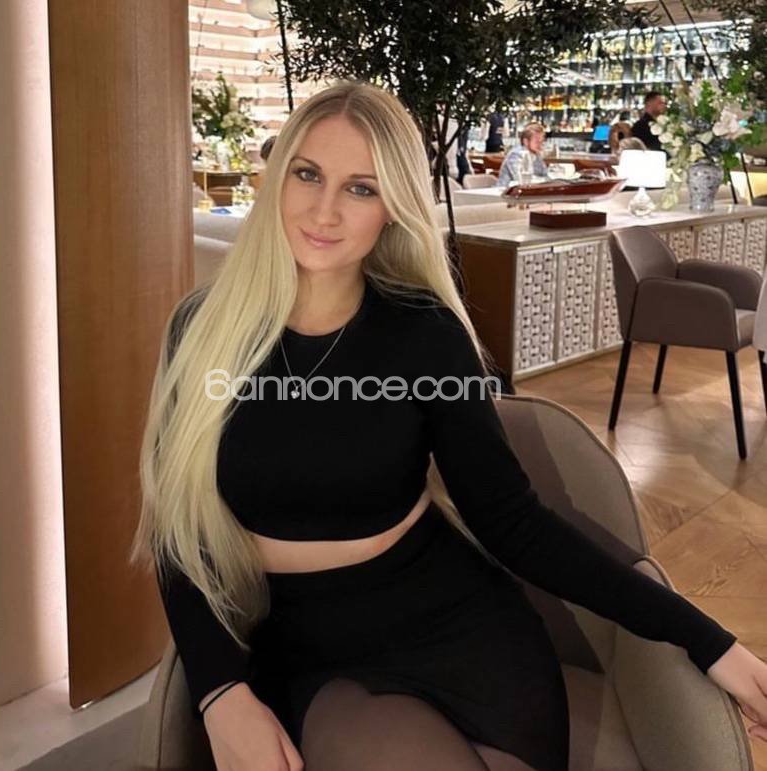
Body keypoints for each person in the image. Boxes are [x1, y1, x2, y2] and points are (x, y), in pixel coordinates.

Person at [131, 80, 767, 771]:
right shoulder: (202, 331)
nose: (324, 210)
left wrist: (706, 638)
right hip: (302, 648)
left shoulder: (425, 336)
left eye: (361, 188)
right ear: (277, 175)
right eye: (307, 174)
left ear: (393, 209)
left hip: (459, 630)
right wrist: (220, 691)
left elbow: (514, 521)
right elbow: (178, 532)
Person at [496, 123, 548, 189]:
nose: (541, 144)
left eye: (542, 141)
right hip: (505, 192)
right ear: (526, 141)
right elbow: (520, 179)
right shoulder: (516, 154)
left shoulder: (537, 155)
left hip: (528, 192)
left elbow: (545, 175)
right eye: (537, 141)